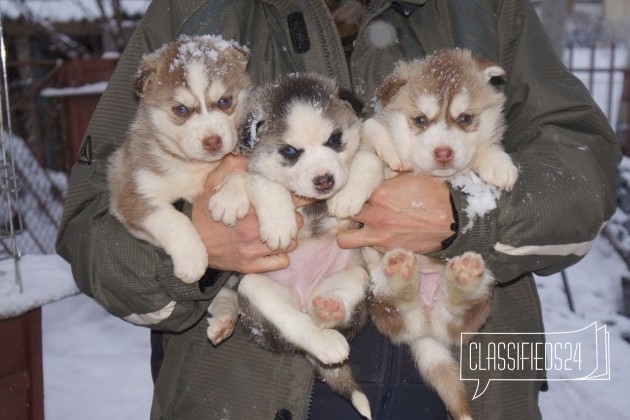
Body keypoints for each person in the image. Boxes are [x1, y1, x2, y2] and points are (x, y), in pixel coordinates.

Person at [55, 0, 621, 419]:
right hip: (244, 394)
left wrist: (467, 212)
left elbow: (583, 166)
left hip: (476, 376)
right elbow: (89, 230)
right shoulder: (194, 13)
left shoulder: (484, 8)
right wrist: (193, 244)